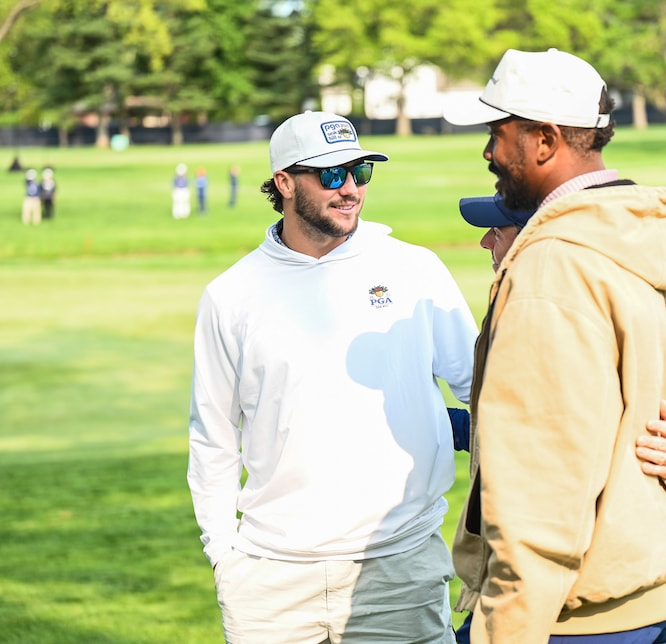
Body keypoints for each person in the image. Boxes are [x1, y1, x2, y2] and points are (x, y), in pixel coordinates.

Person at [442, 48, 666, 643]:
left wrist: (503, 630)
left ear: (543, 139)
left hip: (577, 617)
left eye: (496, 132)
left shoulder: (548, 272)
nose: (488, 152)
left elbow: (540, 489)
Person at [187, 110, 478, 643]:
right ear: (284, 183)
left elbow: (485, 392)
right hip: (269, 580)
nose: (349, 189)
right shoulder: (231, 295)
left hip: (399, 568)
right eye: (330, 175)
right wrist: (224, 557)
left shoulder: (414, 269)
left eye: (359, 172)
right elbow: (213, 440)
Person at [451, 195, 666, 644]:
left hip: (578, 609)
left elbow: (549, 456)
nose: (486, 242)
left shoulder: (543, 304)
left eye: (498, 231)